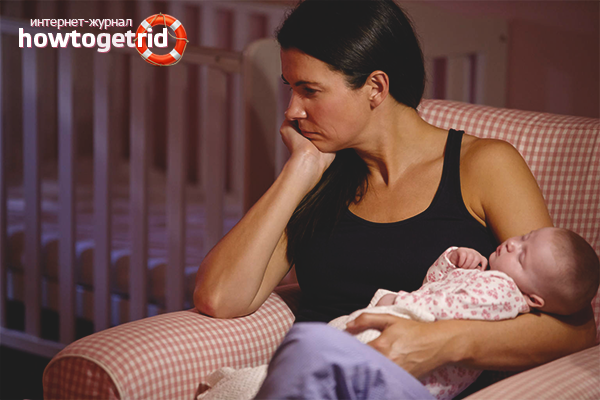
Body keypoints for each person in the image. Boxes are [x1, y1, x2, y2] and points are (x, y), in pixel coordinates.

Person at [194, 0, 597, 398]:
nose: (292, 111)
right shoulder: (319, 175)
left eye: (309, 90)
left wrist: (443, 343)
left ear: (375, 87)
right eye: (290, 88)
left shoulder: (485, 166)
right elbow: (219, 298)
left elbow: (574, 330)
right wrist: (298, 171)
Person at [325, 227, 600, 399]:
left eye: (521, 257)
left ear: (533, 299)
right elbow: (431, 285)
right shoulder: (489, 279)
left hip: (409, 356)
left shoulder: (503, 293)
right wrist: (452, 261)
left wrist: (398, 300)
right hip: (402, 342)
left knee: (334, 362)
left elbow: (446, 312)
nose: (512, 245)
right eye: (524, 237)